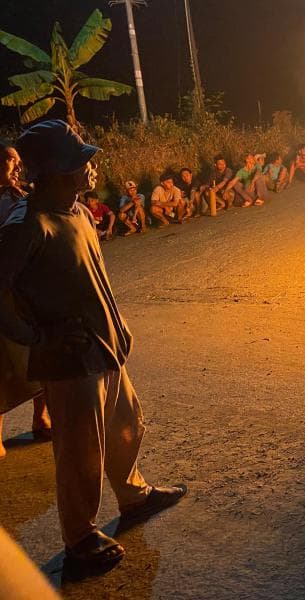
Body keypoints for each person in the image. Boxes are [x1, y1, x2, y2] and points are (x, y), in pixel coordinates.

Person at [2, 120, 186, 571]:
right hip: (67, 361)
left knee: (127, 426)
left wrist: (118, 323)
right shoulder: (26, 226)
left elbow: (93, 278)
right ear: (58, 170)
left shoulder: (80, 213)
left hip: (105, 347)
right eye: (82, 159)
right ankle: (80, 539)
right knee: (80, 450)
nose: (91, 166)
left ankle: (134, 495)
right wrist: (35, 337)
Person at [0, 139, 50, 460]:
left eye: (18, 161)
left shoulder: (24, 194)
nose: (17, 166)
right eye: (10, 161)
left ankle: (41, 417)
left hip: (30, 287)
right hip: (3, 286)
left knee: (40, 352)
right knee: (3, 359)